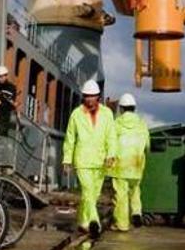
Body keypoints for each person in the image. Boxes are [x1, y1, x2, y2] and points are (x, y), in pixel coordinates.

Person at [61, 79, 116, 238]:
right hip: (83, 160)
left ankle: (82, 222)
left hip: (100, 161)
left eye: (93, 96)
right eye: (87, 96)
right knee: (87, 190)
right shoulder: (76, 114)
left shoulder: (107, 114)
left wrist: (111, 154)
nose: (90, 99)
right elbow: (70, 138)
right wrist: (67, 160)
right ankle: (93, 222)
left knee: (92, 195)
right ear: (83, 97)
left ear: (98, 96)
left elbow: (111, 136)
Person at [108, 93, 148, 231]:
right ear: (134, 108)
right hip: (136, 164)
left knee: (121, 195)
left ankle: (122, 224)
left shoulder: (116, 124)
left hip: (120, 166)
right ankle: (136, 212)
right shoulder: (142, 124)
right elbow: (148, 145)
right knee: (135, 190)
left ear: (121, 108)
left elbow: (111, 143)